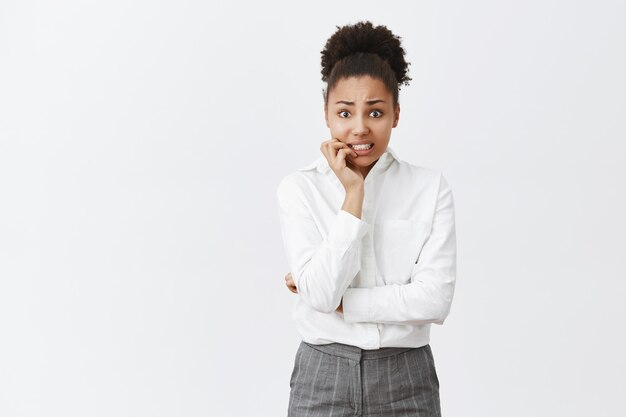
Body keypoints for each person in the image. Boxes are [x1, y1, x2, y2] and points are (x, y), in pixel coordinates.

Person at [276, 20, 457, 417]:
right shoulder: (299, 189)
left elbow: (435, 299)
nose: (359, 127)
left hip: (406, 377)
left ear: (395, 114)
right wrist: (353, 195)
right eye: (345, 112)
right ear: (327, 114)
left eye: (375, 112)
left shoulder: (429, 189)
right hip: (322, 373)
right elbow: (322, 295)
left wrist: (347, 304)